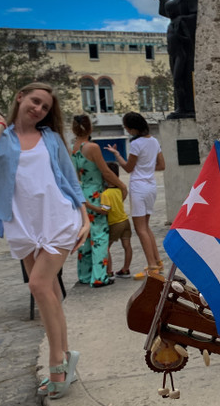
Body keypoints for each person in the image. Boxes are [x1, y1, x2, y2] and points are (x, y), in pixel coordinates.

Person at [0, 82, 90, 400]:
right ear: (20, 97)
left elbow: (69, 177)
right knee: (49, 292)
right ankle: (66, 355)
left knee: (39, 286)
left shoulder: (50, 138)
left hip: (58, 220)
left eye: (46, 108)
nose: (39, 109)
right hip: (22, 225)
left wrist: (85, 218)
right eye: (35, 102)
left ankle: (56, 363)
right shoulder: (0, 136)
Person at [106, 112, 165, 279]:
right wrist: (146, 168)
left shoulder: (136, 144)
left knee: (140, 229)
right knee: (146, 227)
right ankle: (157, 261)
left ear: (132, 128)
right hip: (151, 186)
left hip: (138, 187)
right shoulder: (154, 141)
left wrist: (117, 156)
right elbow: (161, 165)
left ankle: (152, 266)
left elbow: (128, 168)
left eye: (126, 127)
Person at [71, 114, 127, 287]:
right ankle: (99, 276)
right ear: (90, 128)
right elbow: (106, 172)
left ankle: (85, 274)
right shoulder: (92, 147)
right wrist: (122, 186)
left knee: (85, 235)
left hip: (81, 192)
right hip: (96, 193)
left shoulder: (73, 147)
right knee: (100, 236)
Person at [148, 0, 198, 119]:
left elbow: (196, 15)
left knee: (182, 78)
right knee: (177, 79)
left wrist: (179, 20)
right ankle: (181, 107)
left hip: (185, 47)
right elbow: (173, 9)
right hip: (175, 48)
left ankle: (186, 108)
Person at [100, 161, 133, 279]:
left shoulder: (105, 194)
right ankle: (126, 269)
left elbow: (105, 210)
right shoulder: (120, 190)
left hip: (114, 223)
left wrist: (89, 206)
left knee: (105, 246)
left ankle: (109, 271)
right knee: (127, 245)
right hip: (125, 221)